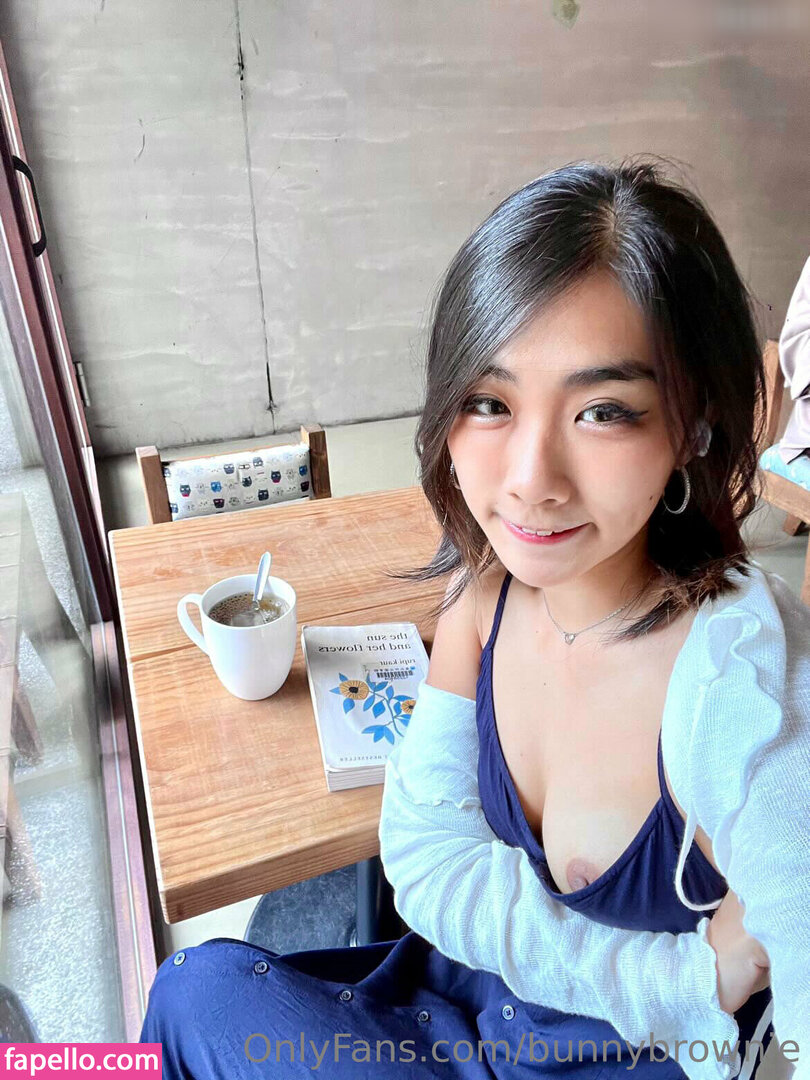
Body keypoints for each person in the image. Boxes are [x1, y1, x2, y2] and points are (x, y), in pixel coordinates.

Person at [139, 159, 810, 1080]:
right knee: (195, 992)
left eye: (603, 411)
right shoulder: (485, 596)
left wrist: (700, 1003)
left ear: (692, 427)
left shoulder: (742, 671)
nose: (531, 479)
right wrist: (682, 978)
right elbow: (422, 858)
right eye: (490, 403)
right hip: (469, 1014)